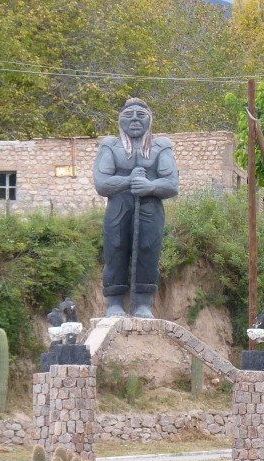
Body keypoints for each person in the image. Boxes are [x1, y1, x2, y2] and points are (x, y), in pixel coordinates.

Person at [94, 98, 179, 318]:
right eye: (128, 114)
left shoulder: (161, 146)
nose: (134, 119)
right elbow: (102, 183)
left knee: (148, 251)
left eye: (140, 115)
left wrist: (149, 185)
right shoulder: (110, 146)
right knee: (115, 249)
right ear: (119, 119)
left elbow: (171, 184)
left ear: (150, 119)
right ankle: (114, 303)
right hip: (119, 207)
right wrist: (129, 181)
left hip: (150, 207)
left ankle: (143, 303)